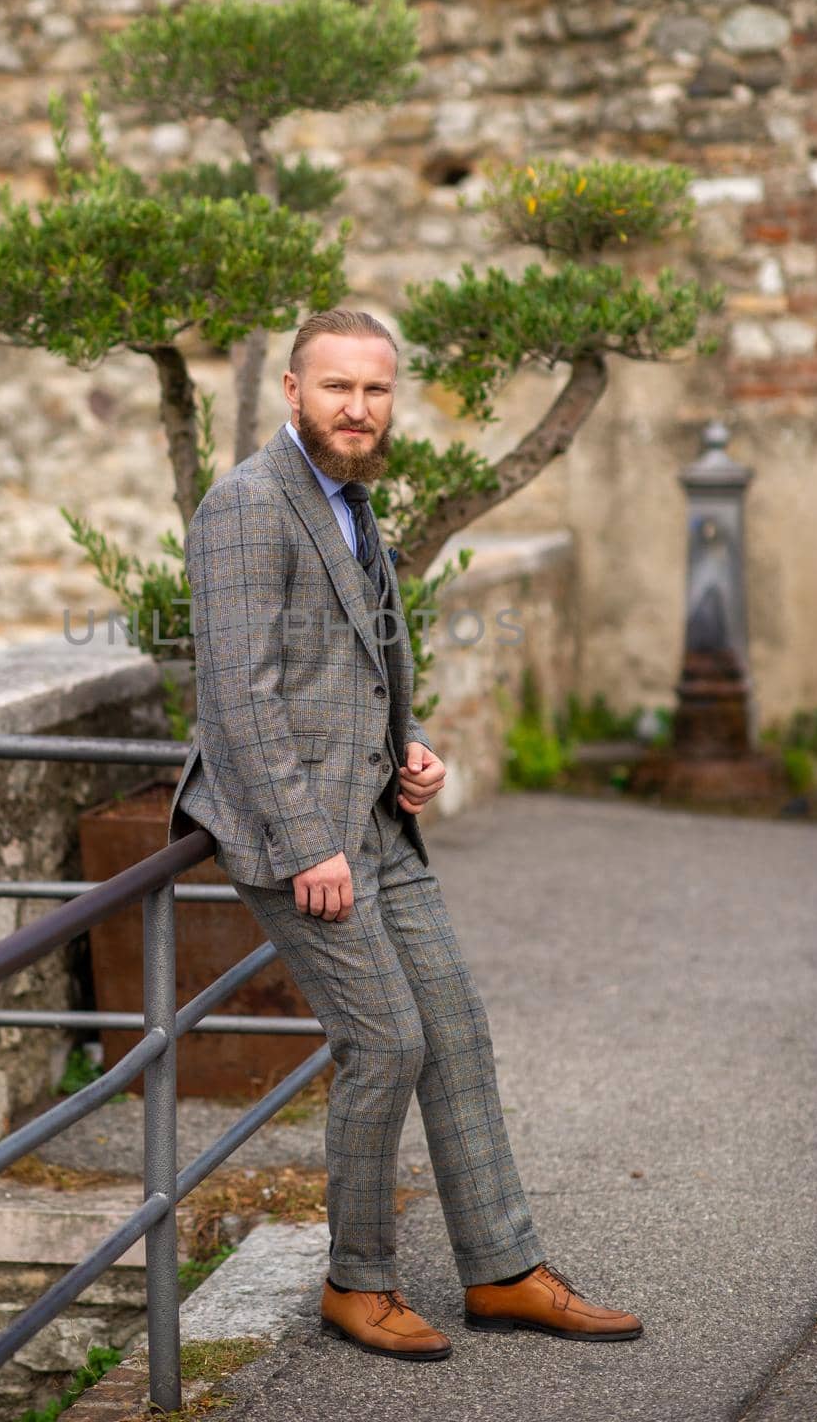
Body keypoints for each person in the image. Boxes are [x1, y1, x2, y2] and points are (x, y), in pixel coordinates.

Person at [168, 307, 642, 1360]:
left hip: (375, 818)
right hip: (299, 838)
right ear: (293, 392)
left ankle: (505, 1268)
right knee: (386, 1040)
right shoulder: (248, 507)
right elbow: (239, 701)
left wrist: (408, 744)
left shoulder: (351, 500)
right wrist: (305, 843)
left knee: (457, 1035)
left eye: (375, 390)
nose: (357, 407)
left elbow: (353, 664)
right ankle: (357, 1282)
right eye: (336, 387)